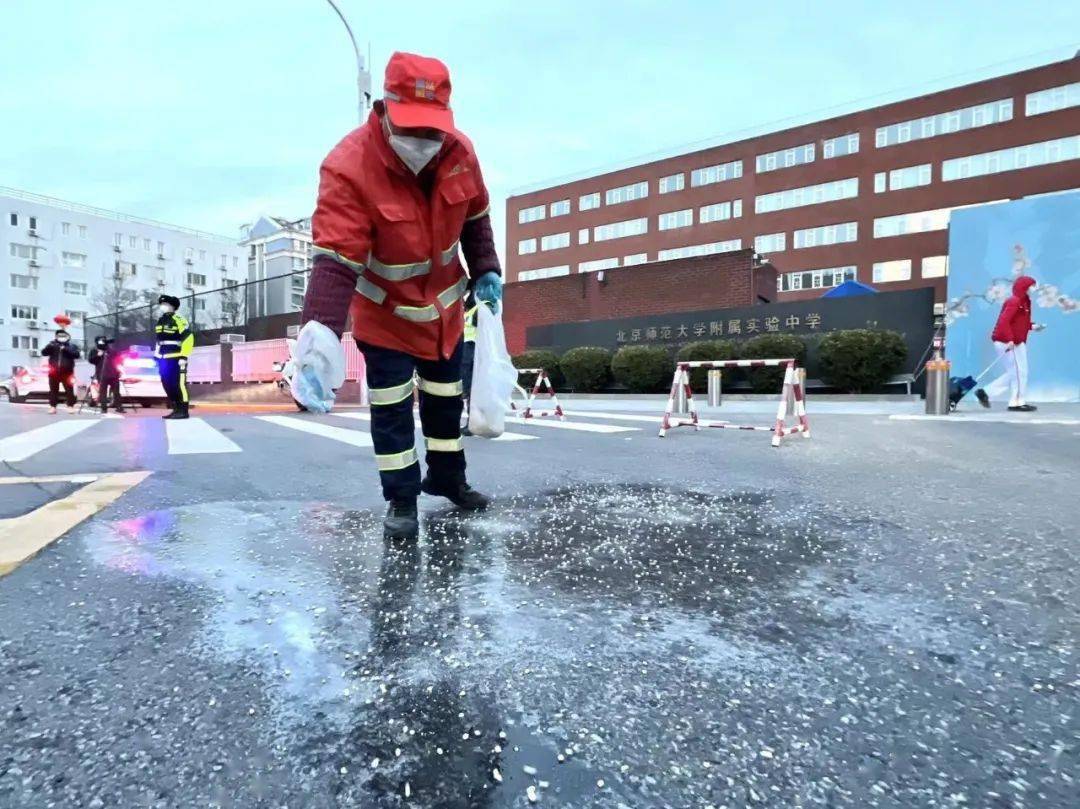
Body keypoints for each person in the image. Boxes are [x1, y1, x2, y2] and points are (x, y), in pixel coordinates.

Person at [300, 51, 503, 538]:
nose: (424, 142)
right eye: (413, 129)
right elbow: (336, 258)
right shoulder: (349, 165)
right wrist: (318, 333)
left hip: (444, 312)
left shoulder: (460, 152)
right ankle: (402, 499)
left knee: (445, 401)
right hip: (385, 314)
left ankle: (449, 480)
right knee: (391, 409)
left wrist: (487, 269)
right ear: (385, 108)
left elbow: (475, 217)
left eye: (433, 130)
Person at [977, 275, 1038, 412]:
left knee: (1017, 372)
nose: (1033, 288)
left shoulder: (1024, 302)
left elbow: (1020, 323)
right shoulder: (1014, 301)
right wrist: (1009, 339)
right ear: (1024, 287)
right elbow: (1004, 321)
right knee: (1017, 373)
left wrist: (1033, 327)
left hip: (1017, 341)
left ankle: (986, 393)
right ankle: (1016, 403)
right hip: (1009, 342)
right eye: (1031, 286)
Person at [154, 294, 193, 420]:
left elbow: (188, 338)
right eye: (161, 305)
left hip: (176, 357)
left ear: (172, 306)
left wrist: (184, 356)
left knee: (179, 384)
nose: (162, 307)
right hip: (163, 358)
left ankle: (183, 410)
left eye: (165, 305)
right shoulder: (161, 320)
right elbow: (159, 340)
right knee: (166, 383)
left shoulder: (179, 319)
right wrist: (156, 356)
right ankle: (175, 408)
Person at [41, 329, 80, 414]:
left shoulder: (71, 346)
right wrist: (49, 347)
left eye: (63, 335)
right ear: (56, 337)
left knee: (69, 390)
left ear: (67, 336)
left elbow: (77, 355)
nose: (61, 337)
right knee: (53, 390)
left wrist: (65, 349)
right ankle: (53, 407)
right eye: (59, 336)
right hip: (54, 372)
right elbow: (43, 353)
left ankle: (70, 406)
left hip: (67, 372)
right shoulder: (52, 345)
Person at [88, 336, 125, 414]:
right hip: (101, 374)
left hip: (113, 374)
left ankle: (119, 407)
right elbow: (91, 360)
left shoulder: (112, 351)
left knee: (116, 392)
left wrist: (119, 370)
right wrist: (98, 355)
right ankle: (103, 408)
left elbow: (119, 360)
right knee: (103, 392)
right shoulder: (94, 351)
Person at [459, 293, 479, 437]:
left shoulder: (478, 309)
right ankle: (471, 424)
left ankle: (472, 425)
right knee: (471, 391)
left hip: (471, 349)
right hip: (468, 349)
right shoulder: (470, 311)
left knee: (470, 390)